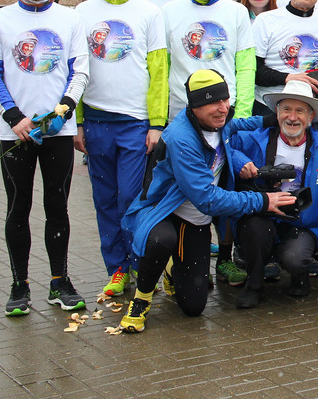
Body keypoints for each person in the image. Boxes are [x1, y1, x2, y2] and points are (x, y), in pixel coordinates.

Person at [118, 71, 296, 332]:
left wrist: (273, 120)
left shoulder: (219, 119)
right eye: (214, 103)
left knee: (193, 307)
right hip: (166, 213)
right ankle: (141, 298)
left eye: (225, 100)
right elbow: (207, 200)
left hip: (196, 221)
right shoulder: (181, 138)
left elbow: (236, 125)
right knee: (162, 240)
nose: (223, 108)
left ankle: (172, 269)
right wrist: (261, 201)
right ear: (194, 107)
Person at [0, 0, 89, 316]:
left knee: (57, 206)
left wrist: (64, 110)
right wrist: (15, 118)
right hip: (17, 133)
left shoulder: (70, 18)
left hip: (58, 131)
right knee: (18, 208)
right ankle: (19, 284)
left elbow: (80, 71)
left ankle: (59, 281)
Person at [74, 0, 167, 297]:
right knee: (105, 199)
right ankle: (116, 268)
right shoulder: (82, 12)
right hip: (96, 122)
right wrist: (79, 123)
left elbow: (159, 70)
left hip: (135, 123)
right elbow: (77, 71)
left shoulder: (147, 12)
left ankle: (140, 263)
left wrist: (156, 123)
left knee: (131, 197)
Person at [227, 80, 318, 307]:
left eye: (300, 111)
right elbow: (222, 143)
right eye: (287, 110)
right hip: (264, 215)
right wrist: (240, 161)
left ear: (311, 117)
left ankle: (300, 274)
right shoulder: (254, 139)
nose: (292, 117)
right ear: (277, 112)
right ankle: (254, 284)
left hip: (302, 223)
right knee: (254, 230)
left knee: (295, 259)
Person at [163, 0, 255, 120]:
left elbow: (246, 68)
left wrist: (242, 114)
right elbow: (162, 68)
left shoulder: (237, 12)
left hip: (225, 111)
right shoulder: (168, 12)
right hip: (182, 112)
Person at [253, 0, 318, 121]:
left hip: (310, 108)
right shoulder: (266, 21)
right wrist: (287, 77)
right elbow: (253, 70)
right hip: (268, 108)